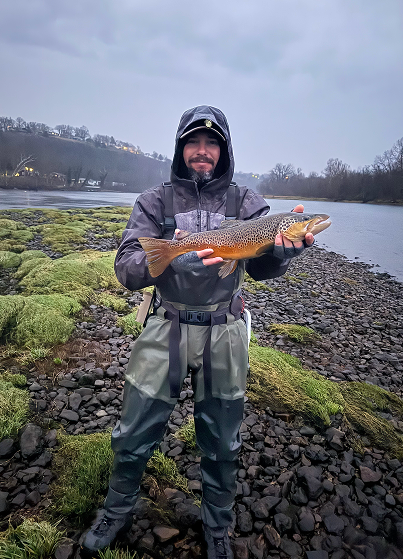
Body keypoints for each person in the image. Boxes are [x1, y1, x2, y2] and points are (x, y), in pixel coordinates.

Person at [81, 106, 314, 559]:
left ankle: (218, 528)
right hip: (166, 325)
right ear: (180, 148)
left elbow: (263, 268)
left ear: (224, 151)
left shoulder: (248, 203)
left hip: (225, 330)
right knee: (133, 431)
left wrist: (284, 254)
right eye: (194, 143)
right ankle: (115, 510)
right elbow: (126, 269)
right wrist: (169, 258)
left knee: (222, 439)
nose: (202, 152)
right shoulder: (155, 200)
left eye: (212, 144)